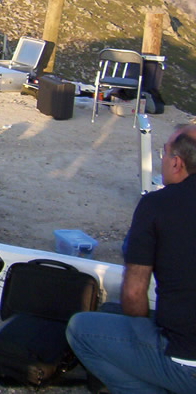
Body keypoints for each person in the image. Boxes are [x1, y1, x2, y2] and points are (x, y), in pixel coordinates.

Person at [66, 124, 196, 393]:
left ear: (176, 163)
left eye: (164, 152)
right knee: (113, 313)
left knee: (80, 329)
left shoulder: (157, 204)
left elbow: (134, 292)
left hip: (187, 362)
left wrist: (144, 334)